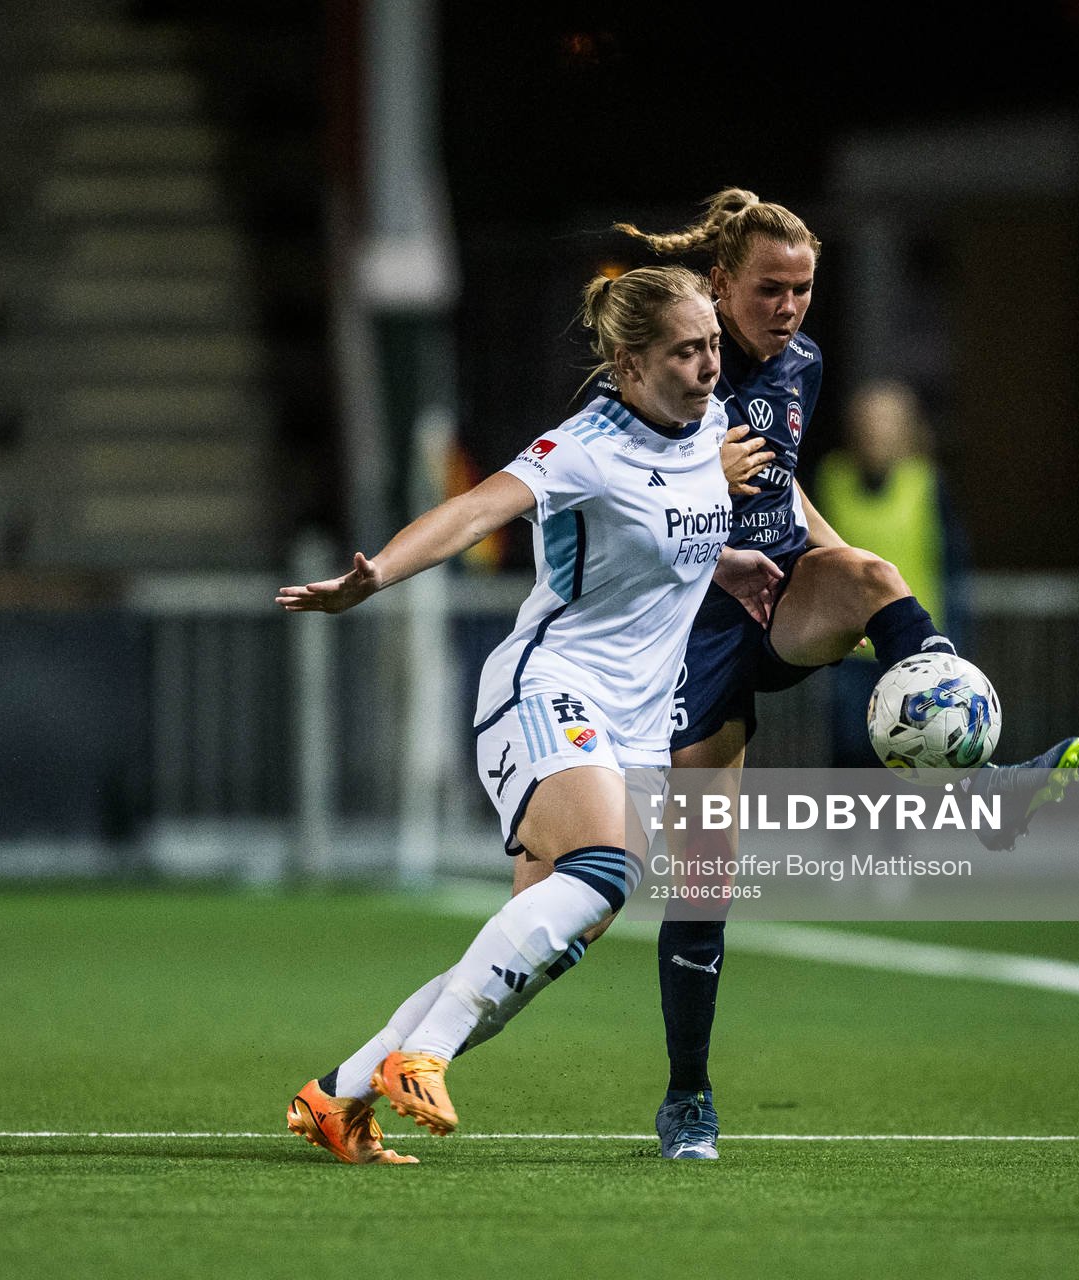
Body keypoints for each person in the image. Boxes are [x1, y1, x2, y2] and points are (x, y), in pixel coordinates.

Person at [617, 189, 1079, 1160]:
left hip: (779, 593)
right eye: (767, 289)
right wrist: (704, 483)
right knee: (704, 874)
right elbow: (613, 508)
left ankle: (978, 781)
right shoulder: (667, 366)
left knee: (877, 572)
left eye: (801, 289)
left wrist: (860, 594)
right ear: (717, 283)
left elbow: (781, 481)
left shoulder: (801, 364)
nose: (787, 307)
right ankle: (686, 1096)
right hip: (687, 630)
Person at [279, 266, 774, 1162]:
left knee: (529, 959)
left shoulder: (704, 428)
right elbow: (474, 511)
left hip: (639, 724)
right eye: (686, 351)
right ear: (628, 363)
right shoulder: (585, 446)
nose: (709, 366)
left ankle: (340, 1093)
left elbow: (672, 531)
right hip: (550, 688)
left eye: (711, 346)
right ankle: (421, 1057)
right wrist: (374, 580)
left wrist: (724, 563)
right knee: (607, 865)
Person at [814, 380, 973, 768]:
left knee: (906, 756)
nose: (876, 432)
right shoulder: (832, 479)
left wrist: (956, 643)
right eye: (869, 422)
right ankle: (845, 828)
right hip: (850, 648)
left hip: (912, 651)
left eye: (886, 423)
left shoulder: (925, 484)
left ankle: (894, 831)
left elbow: (953, 567)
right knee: (850, 752)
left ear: (905, 429)